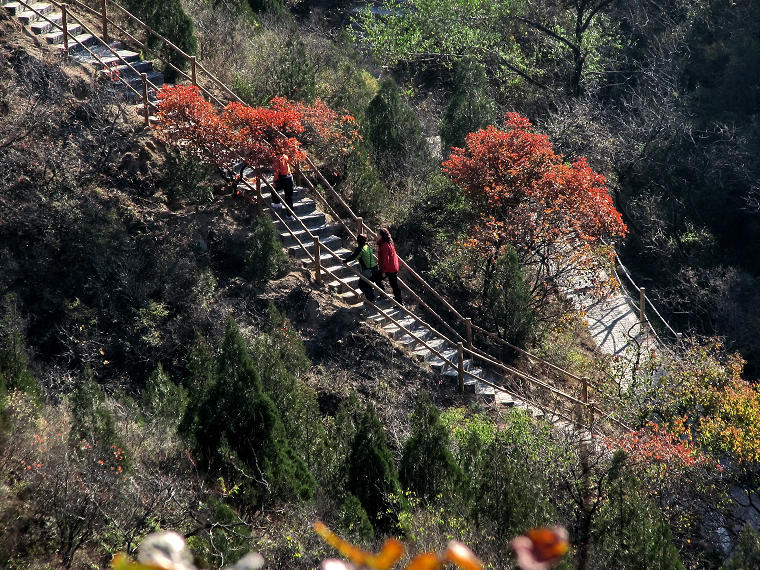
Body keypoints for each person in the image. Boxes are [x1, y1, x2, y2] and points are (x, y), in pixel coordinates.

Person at [342, 234, 379, 302]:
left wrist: (345, 261)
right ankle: (371, 299)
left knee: (362, 285)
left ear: (357, 241)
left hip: (368, 271)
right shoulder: (367, 246)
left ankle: (372, 299)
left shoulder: (360, 248)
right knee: (368, 285)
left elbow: (354, 256)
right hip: (375, 269)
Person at [376, 227, 402, 304]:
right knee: (394, 284)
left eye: (378, 234)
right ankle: (398, 299)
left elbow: (385, 259)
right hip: (392, 267)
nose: (377, 235)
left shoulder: (384, 245)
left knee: (378, 279)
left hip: (389, 268)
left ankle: (398, 301)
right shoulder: (389, 242)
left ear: (381, 236)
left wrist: (384, 271)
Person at [272, 152, 295, 217]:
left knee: (273, 188)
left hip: (283, 177)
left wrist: (274, 181)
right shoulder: (285, 156)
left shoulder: (277, 159)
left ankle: (276, 202)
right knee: (289, 197)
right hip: (289, 177)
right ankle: (290, 215)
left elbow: (276, 172)